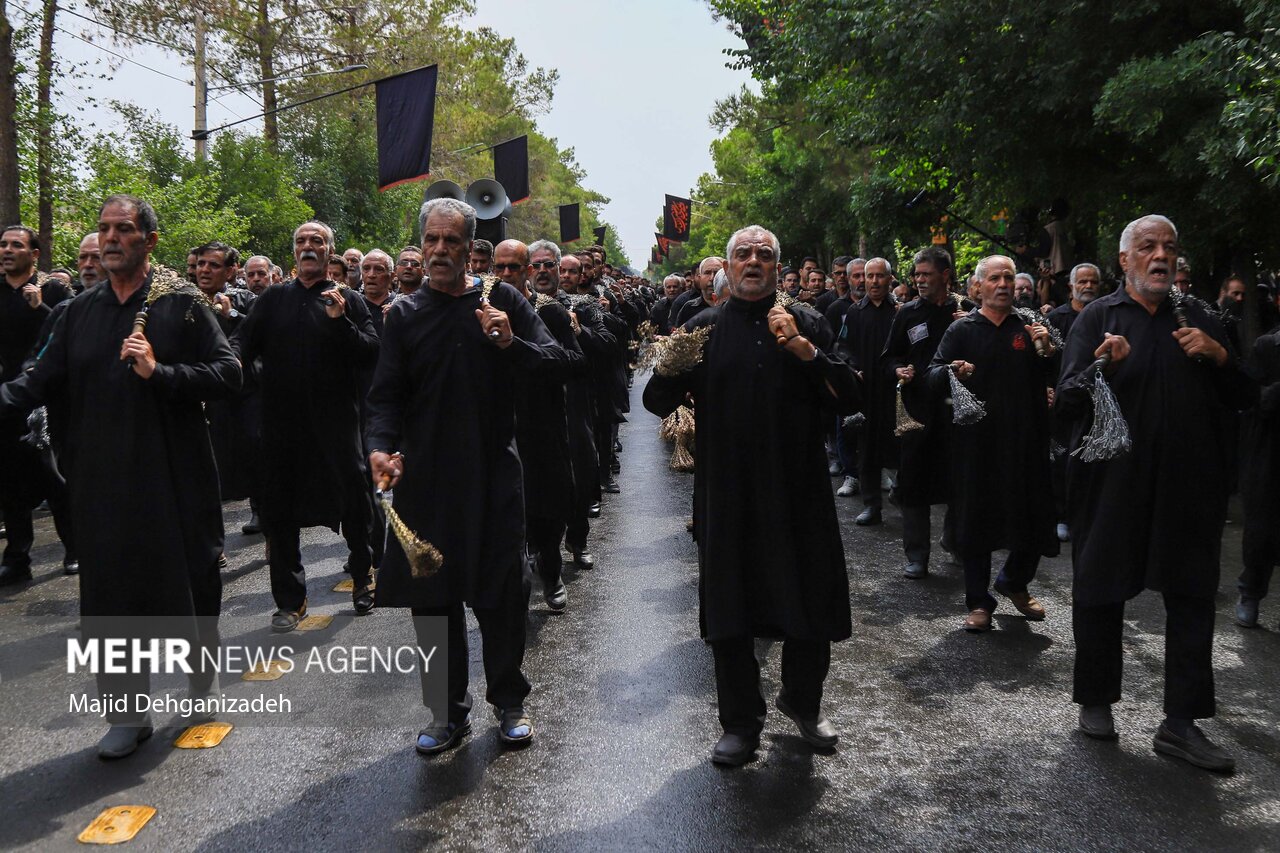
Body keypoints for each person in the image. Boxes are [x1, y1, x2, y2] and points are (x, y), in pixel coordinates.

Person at [0, 195, 241, 757]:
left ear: (149, 241)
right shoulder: (75, 313)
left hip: (175, 476)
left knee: (190, 580)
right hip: (100, 480)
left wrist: (162, 373)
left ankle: (199, 682)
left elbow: (228, 373)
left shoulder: (181, 305)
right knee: (109, 595)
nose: (110, 239)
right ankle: (127, 714)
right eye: (104, 229)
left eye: (124, 229)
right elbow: (33, 380)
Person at [643, 225, 858, 767]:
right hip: (728, 491)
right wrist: (672, 365)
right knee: (731, 608)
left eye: (765, 254)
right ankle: (740, 723)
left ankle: (803, 703)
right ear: (729, 269)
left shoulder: (807, 322)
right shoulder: (705, 329)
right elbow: (654, 400)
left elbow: (850, 395)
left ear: (776, 267)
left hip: (799, 489)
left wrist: (803, 349)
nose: (754, 261)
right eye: (744, 254)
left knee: (809, 599)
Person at [366, 197, 566, 754]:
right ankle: (446, 712)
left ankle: (509, 702)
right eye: (431, 239)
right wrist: (380, 449)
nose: (438, 250)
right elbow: (384, 398)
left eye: (451, 241)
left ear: (470, 248)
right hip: (425, 482)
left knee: (501, 592)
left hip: (493, 475)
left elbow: (555, 364)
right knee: (431, 600)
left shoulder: (500, 300)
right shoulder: (403, 315)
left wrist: (510, 341)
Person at [1057, 214, 1255, 772]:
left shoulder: (1201, 318)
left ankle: (1181, 724)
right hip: (1113, 482)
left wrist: (1218, 357)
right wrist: (1101, 364)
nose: (1160, 256)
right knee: (1101, 585)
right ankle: (1096, 700)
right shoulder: (1098, 318)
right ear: (1125, 260)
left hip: (1189, 485)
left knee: (1192, 594)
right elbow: (1065, 404)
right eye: (1148, 247)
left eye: (1169, 246)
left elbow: (1243, 396)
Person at [234, 220, 381, 632]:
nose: (308, 246)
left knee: (354, 503)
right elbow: (242, 342)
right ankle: (290, 601)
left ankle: (362, 573)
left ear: (330, 250)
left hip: (336, 424)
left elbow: (371, 350)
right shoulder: (273, 299)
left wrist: (340, 322)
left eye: (317, 241)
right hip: (281, 426)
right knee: (279, 512)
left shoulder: (348, 299)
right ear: (294, 250)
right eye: (301, 241)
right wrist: (233, 365)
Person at [927, 255, 1058, 632]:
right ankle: (978, 602)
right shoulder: (963, 330)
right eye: (995, 279)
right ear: (977, 287)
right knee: (976, 522)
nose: (1004, 284)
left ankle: (1014, 582)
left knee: (1034, 515)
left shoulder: (1033, 326)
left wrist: (1048, 349)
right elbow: (932, 374)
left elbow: (1061, 370)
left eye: (1009, 278)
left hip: (1026, 441)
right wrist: (953, 370)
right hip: (976, 444)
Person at [882, 247, 965, 579]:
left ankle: (954, 538)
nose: (919, 280)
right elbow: (889, 356)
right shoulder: (907, 314)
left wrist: (970, 327)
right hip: (917, 412)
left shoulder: (965, 312)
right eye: (916, 275)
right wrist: (898, 370)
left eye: (925, 274)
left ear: (944, 276)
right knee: (914, 482)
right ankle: (916, 554)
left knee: (959, 481)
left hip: (957, 411)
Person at [840, 257, 897, 526]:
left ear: (889, 279)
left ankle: (902, 495)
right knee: (867, 450)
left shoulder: (899, 312)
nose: (873, 281)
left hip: (893, 392)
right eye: (868, 276)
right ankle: (872, 505)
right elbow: (842, 347)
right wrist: (852, 367)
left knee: (899, 446)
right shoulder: (855, 313)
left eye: (879, 276)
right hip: (865, 391)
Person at [1045, 263, 1099, 541]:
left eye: (1093, 282)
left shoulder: (1103, 316)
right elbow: (1042, 358)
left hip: (1095, 401)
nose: (1088, 286)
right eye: (1083, 282)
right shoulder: (1055, 318)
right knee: (1061, 457)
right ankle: (1061, 515)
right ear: (1071, 287)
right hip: (1062, 400)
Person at [1236, 323, 1280, 628]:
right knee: (1261, 533)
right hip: (1269, 456)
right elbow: (1251, 400)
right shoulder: (1266, 347)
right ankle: (1250, 592)